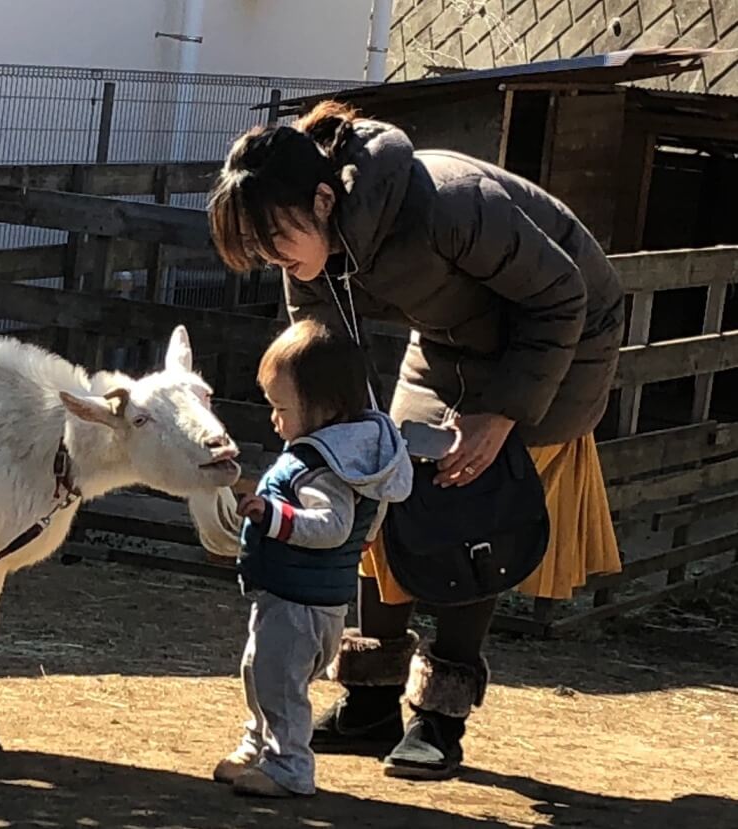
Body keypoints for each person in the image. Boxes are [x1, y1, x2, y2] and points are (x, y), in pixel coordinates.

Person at [207, 101, 625, 780]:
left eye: (274, 238)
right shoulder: (306, 255)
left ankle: (439, 715)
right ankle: (370, 699)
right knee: (383, 486)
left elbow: (559, 297)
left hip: (560, 336)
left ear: (322, 199)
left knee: (466, 502)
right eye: (254, 248)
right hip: (448, 343)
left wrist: (501, 413)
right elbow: (325, 373)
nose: (269, 258)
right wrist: (326, 459)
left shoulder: (446, 203)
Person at [214, 319, 412, 798]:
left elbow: (332, 526)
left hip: (297, 600)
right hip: (312, 600)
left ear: (323, 408)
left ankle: (289, 768)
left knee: (280, 683)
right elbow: (371, 513)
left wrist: (272, 516)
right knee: (260, 670)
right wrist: (364, 539)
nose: (274, 420)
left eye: (282, 408)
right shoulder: (360, 454)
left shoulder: (322, 466)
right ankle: (258, 746)